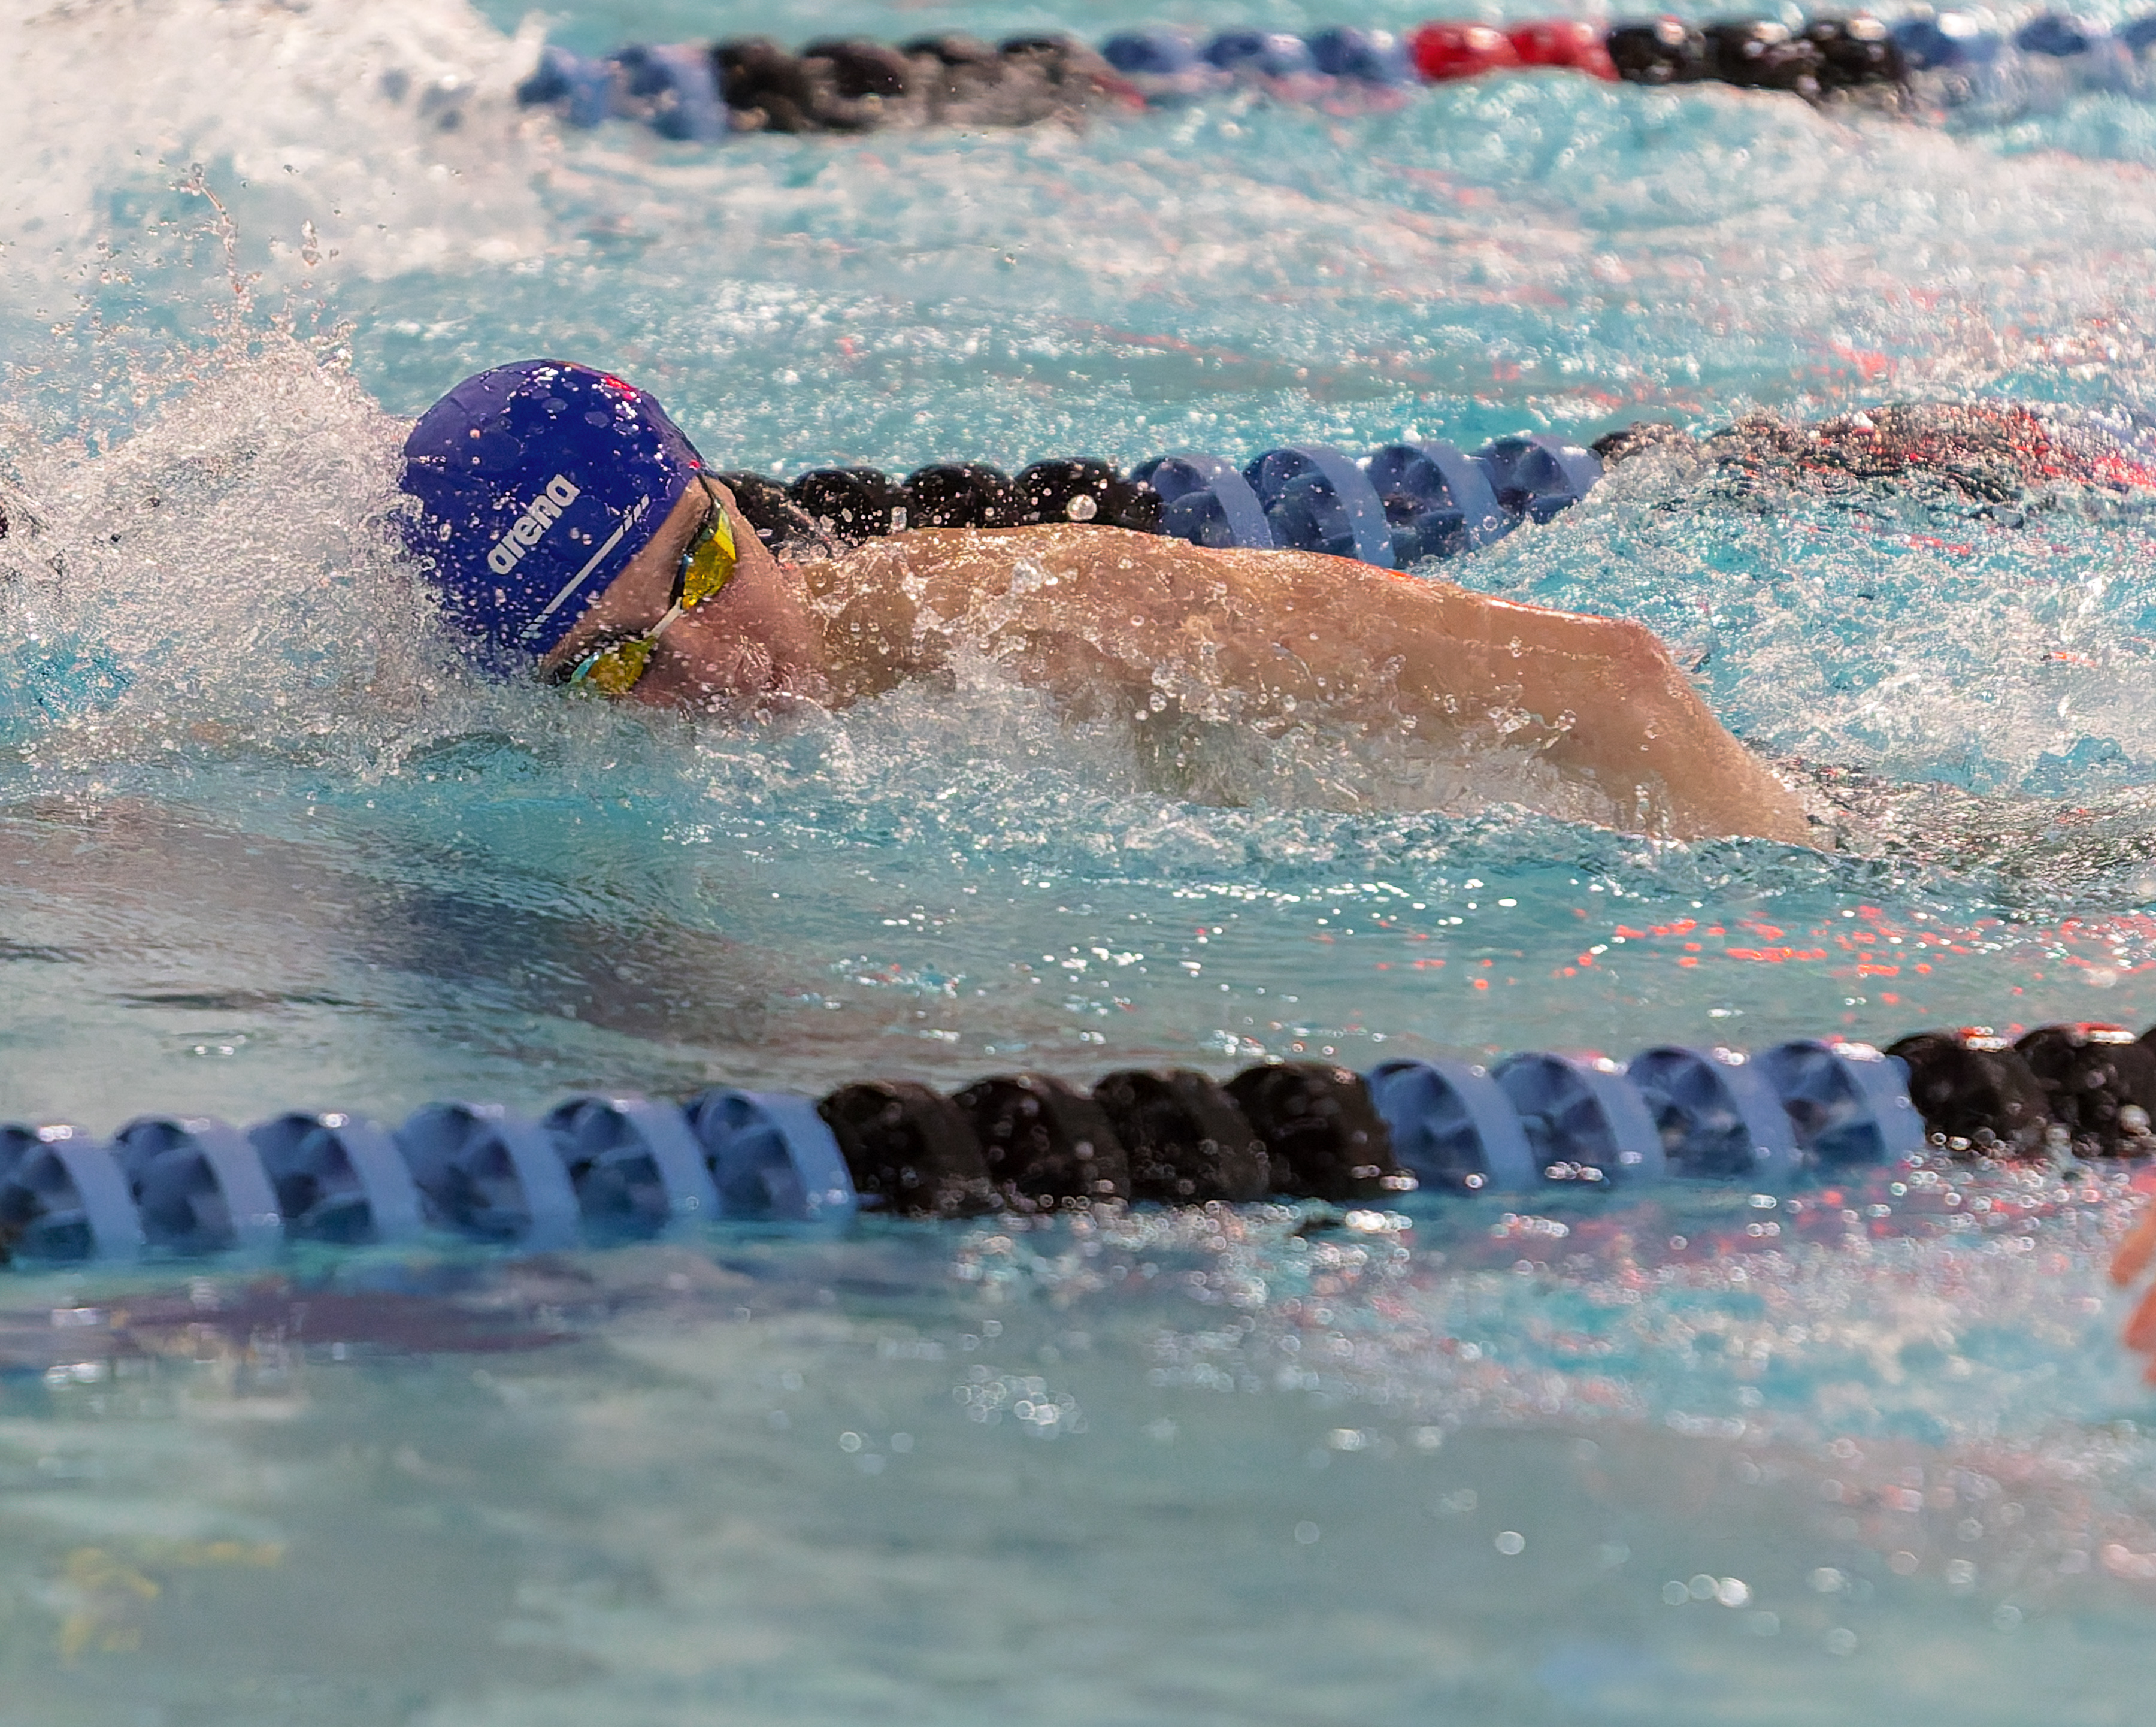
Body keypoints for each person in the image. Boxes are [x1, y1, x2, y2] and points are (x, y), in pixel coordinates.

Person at [398, 360, 1813, 845]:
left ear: (729, 496)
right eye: (613, 669)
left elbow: (1617, 684)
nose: (710, 671)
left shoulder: (1041, 620)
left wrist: (1805, 910)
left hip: (1830, 836)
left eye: (702, 570)